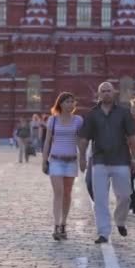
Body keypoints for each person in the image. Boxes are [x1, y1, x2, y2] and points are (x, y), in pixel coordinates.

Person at [79, 82, 135, 244]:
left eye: (109, 91)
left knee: (125, 195)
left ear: (114, 93)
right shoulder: (92, 115)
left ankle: (120, 221)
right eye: (103, 91)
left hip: (121, 160)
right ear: (98, 94)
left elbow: (132, 137)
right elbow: (84, 138)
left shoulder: (124, 113)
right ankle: (103, 233)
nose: (106, 94)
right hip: (99, 161)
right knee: (100, 199)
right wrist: (82, 158)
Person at [42, 92, 83, 241]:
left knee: (67, 193)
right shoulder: (52, 120)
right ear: (60, 104)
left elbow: (81, 140)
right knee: (58, 192)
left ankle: (64, 223)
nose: (70, 104)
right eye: (67, 102)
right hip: (56, 160)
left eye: (72, 102)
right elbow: (47, 141)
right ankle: (56, 225)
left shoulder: (78, 120)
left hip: (71, 161)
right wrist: (44, 160)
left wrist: (83, 157)